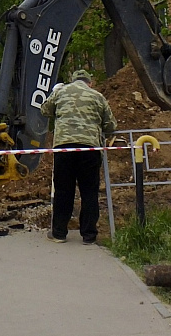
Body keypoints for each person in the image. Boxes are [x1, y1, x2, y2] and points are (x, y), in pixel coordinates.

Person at [41, 69, 117, 245]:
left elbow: (45, 110)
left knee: (63, 190)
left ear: (72, 81)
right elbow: (111, 125)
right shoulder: (97, 96)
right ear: (89, 83)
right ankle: (89, 235)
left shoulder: (61, 92)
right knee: (89, 192)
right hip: (89, 148)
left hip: (64, 148)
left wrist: (55, 96)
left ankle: (59, 233)